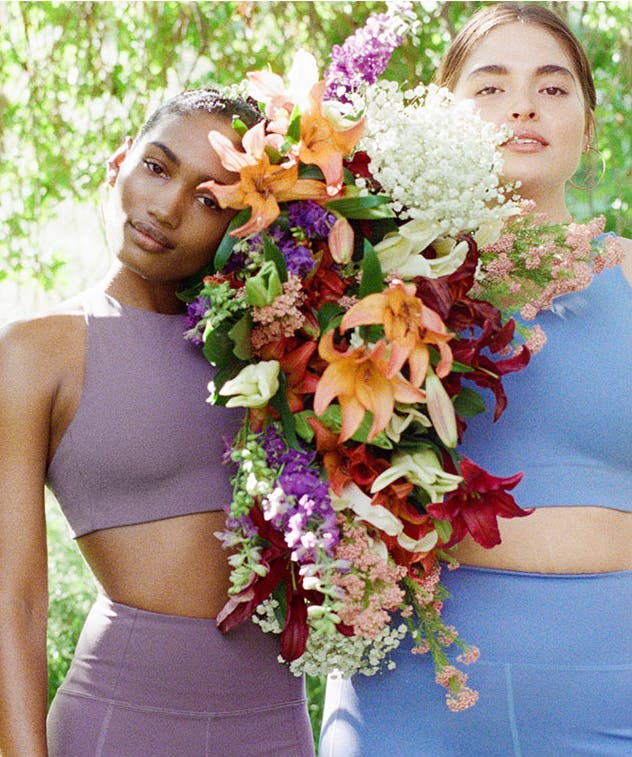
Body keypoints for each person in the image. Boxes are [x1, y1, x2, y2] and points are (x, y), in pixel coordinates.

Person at [319, 4, 632, 756]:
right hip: (402, 705)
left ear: (590, 126)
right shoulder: (364, 275)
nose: (523, 104)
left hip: (611, 700)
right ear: (441, 120)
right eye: (490, 87)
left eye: (553, 88)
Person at [0, 88, 316, 757]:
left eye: (210, 200)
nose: (167, 208)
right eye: (157, 167)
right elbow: (15, 598)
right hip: (120, 724)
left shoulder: (287, 348)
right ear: (119, 163)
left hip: (275, 725)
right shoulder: (37, 350)